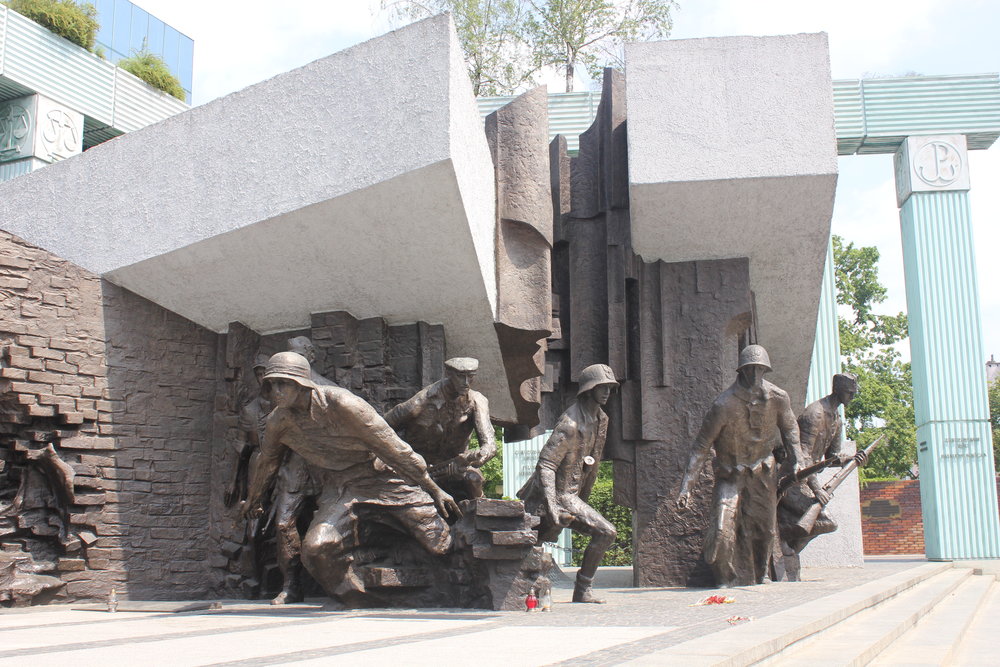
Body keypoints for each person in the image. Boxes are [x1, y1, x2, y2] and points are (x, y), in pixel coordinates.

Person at [242, 352, 460, 606]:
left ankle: (451, 582)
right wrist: (253, 499)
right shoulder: (278, 421)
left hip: (384, 478)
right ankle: (365, 599)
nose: (276, 391)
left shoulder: (343, 404)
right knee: (317, 547)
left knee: (439, 543)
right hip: (342, 486)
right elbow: (267, 461)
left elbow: (393, 447)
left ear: (302, 383)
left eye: (283, 383)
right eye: (271, 384)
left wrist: (433, 489)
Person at [676, 345, 806, 587]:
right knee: (721, 528)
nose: (756, 375)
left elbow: (790, 430)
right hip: (731, 473)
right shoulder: (723, 405)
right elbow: (701, 447)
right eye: (751, 369)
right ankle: (724, 577)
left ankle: (761, 574)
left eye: (760, 369)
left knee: (765, 527)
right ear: (742, 371)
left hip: (763, 472)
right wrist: (686, 487)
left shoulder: (778, 397)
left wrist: (798, 458)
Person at [518, 364, 618, 604]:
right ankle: (533, 590)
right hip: (555, 497)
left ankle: (581, 589)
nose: (606, 392)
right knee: (606, 532)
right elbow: (546, 465)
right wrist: (552, 506)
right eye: (601, 387)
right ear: (589, 389)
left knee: (601, 534)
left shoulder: (601, 419)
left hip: (573, 496)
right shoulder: (570, 424)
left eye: (609, 388)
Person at [266, 337, 336, 605]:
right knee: (284, 523)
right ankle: (290, 586)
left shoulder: (330, 390)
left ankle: (338, 584)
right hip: (295, 467)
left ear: (311, 355)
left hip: (326, 469)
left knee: (330, 524)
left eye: (298, 353)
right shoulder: (281, 390)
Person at [778, 372, 868, 555]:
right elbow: (803, 457)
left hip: (806, 481)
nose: (852, 396)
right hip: (791, 481)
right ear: (839, 391)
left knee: (824, 523)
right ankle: (780, 533)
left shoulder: (836, 419)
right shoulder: (815, 414)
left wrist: (852, 460)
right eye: (850, 392)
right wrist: (817, 489)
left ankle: (789, 550)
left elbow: (832, 457)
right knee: (828, 522)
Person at [384, 357, 495, 501]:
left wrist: (475, 458)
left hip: (455, 467)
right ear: (448, 373)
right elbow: (383, 427)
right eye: (461, 376)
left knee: (474, 480)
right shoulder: (424, 400)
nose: (466, 383)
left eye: (471, 377)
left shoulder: (477, 401)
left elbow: (490, 444)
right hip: (417, 469)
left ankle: (481, 517)